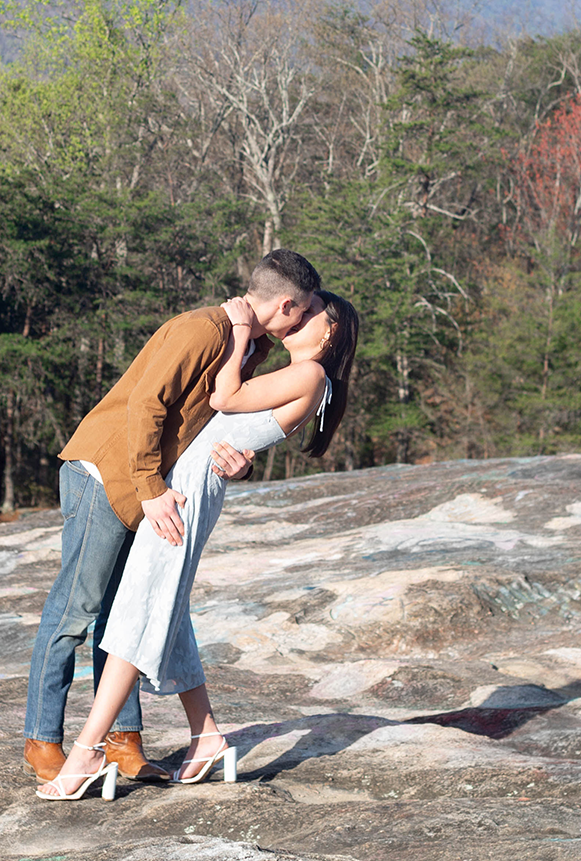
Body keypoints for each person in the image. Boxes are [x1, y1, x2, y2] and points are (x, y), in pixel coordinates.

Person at [36, 290, 361, 801]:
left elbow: (223, 399)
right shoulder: (293, 373)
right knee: (167, 612)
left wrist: (235, 337)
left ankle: (86, 751)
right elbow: (231, 430)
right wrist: (244, 459)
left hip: (184, 498)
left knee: (138, 611)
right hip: (185, 488)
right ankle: (206, 735)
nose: (298, 317)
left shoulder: (311, 374)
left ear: (329, 332)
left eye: (312, 313)